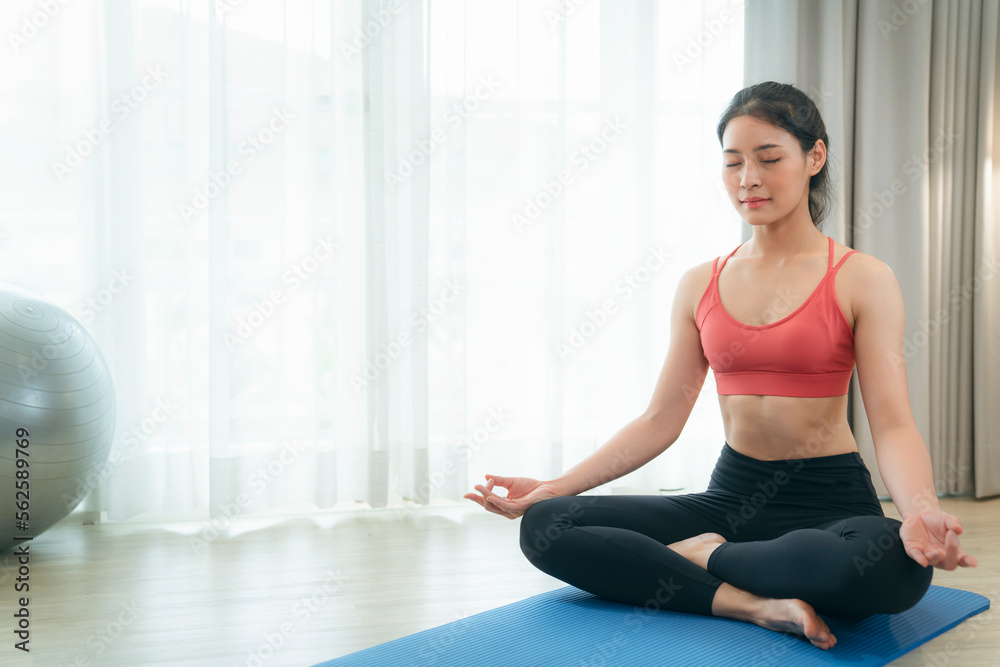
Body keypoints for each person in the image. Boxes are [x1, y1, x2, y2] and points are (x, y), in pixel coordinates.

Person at [464, 81, 978, 650]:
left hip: (828, 504)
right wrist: (552, 488)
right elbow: (660, 419)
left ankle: (706, 557)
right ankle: (748, 602)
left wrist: (921, 511)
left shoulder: (862, 277)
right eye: (732, 163)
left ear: (815, 156)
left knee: (892, 569)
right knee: (547, 526)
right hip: (731, 497)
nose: (747, 179)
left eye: (768, 158)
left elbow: (893, 422)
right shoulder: (700, 283)